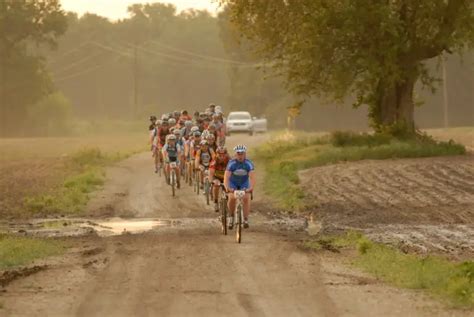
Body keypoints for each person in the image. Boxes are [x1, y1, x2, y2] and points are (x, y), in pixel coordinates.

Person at [224, 144, 255, 229]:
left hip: (244, 183)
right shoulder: (231, 164)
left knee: (246, 198)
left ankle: (245, 219)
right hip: (232, 183)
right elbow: (226, 177)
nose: (240, 156)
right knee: (231, 198)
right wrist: (227, 187)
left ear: (245, 154)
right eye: (238, 154)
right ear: (235, 155)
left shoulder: (249, 163)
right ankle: (231, 217)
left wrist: (251, 188)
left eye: (242, 154)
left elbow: (252, 177)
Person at [209, 146, 231, 212]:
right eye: (219, 154)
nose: (221, 156)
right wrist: (212, 181)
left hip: (227, 178)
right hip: (217, 177)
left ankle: (229, 202)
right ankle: (216, 202)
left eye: (223, 154)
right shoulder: (214, 161)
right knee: (216, 185)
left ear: (226, 154)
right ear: (216, 154)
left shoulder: (230, 161)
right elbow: (211, 173)